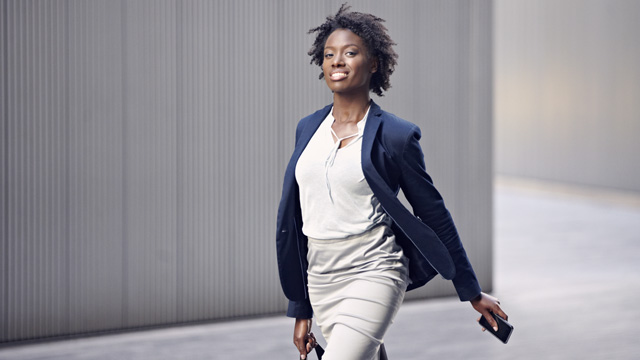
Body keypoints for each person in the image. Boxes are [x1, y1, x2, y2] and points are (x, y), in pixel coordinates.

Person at [275, 4, 507, 359]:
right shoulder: (307, 129)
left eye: (350, 52)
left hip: (375, 270)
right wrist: (300, 307)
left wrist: (471, 291)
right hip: (322, 280)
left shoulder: (396, 135)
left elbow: (433, 213)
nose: (337, 60)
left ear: (373, 64)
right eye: (329, 54)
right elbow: (299, 216)